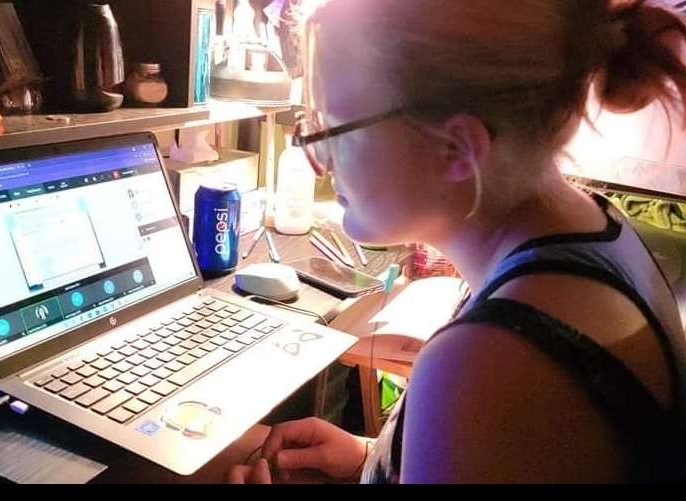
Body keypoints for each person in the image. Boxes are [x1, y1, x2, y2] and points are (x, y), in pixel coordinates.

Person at [227, 0, 686, 484]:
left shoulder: (491, 361)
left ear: (457, 149)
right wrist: (375, 457)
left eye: (335, 129)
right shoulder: (584, 232)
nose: (319, 157)